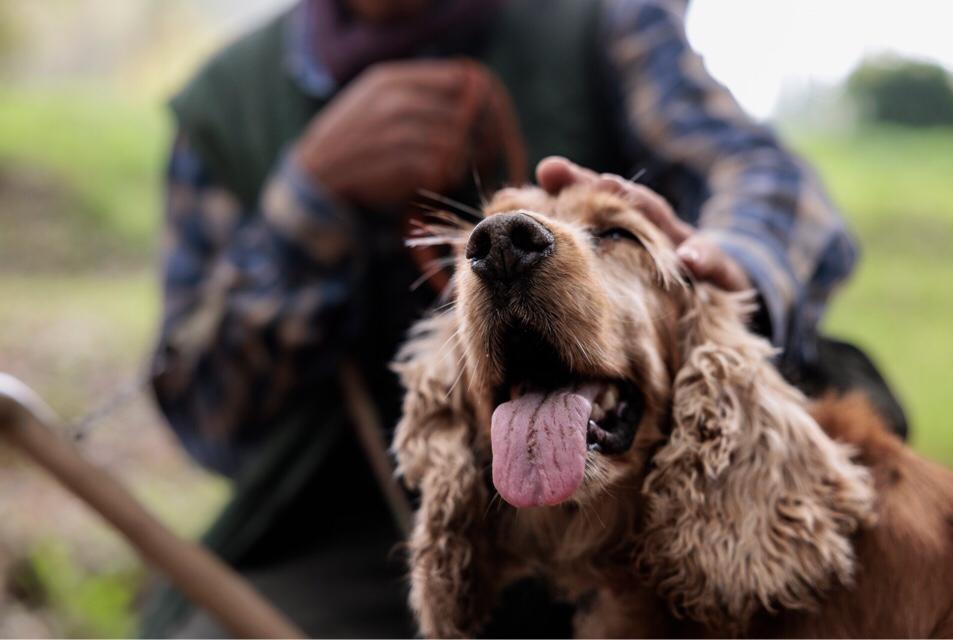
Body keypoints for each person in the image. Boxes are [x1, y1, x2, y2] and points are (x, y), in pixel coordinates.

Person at [144, 0, 907, 636]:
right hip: (356, 528)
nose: (498, 247)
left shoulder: (600, 17)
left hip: (664, 496)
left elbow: (772, 181)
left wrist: (723, 267)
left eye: (608, 236)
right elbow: (207, 417)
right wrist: (310, 200)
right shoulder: (225, 102)